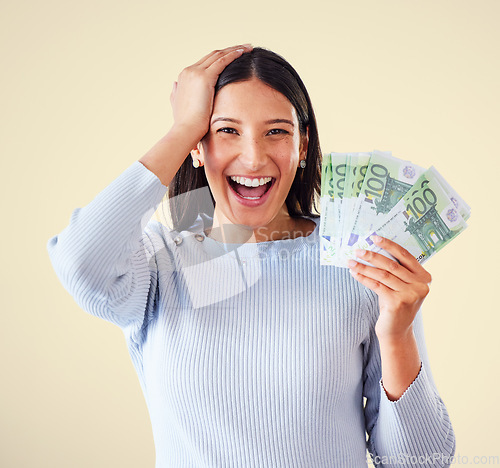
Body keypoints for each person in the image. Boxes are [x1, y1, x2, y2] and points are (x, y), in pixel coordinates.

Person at [47, 44, 456, 467]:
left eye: (276, 131)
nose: (254, 157)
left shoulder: (359, 263)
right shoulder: (159, 261)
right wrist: (183, 127)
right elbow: (80, 263)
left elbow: (420, 462)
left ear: (302, 146)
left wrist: (396, 336)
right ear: (197, 146)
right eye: (226, 131)